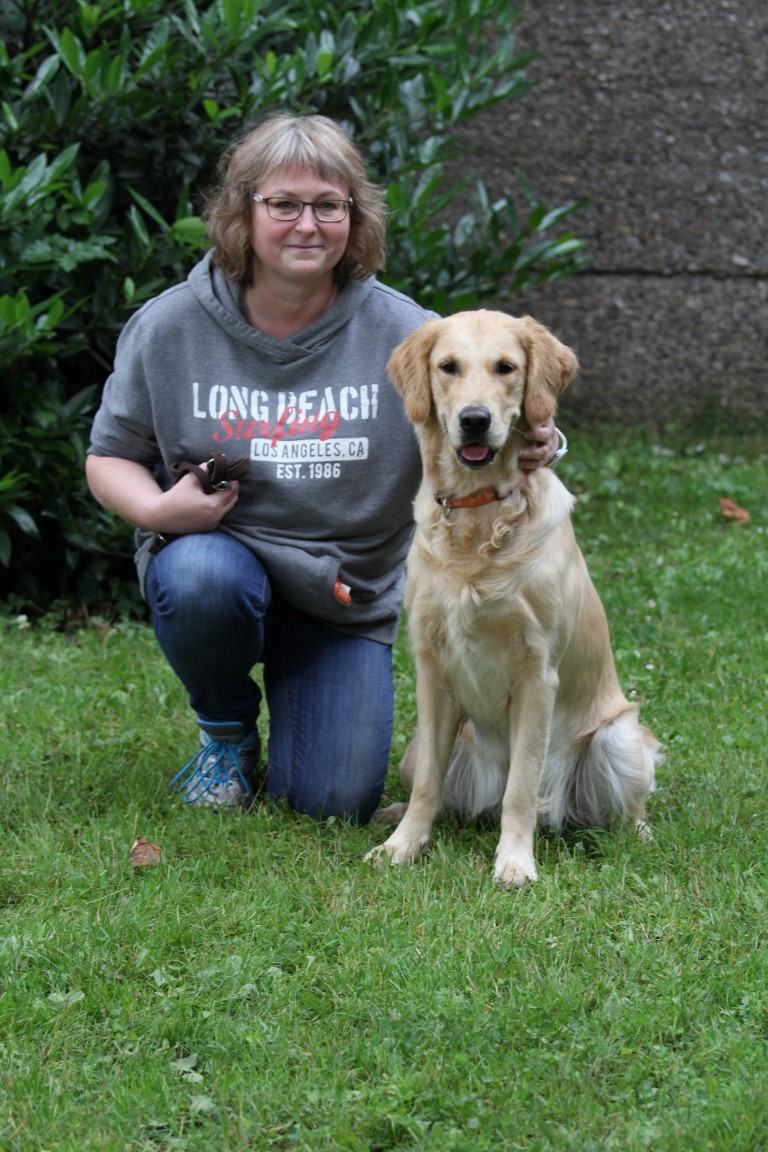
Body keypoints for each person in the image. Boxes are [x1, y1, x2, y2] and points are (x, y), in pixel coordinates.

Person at [86, 114, 562, 822]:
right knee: (200, 575)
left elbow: (494, 401)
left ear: (353, 218)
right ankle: (225, 734)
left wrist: (545, 441)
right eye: (282, 204)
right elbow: (110, 456)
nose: (306, 225)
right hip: (222, 565)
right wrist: (160, 513)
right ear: (242, 214)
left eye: (328, 206)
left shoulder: (408, 333)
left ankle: (309, 705)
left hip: (343, 597)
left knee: (333, 801)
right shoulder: (171, 326)